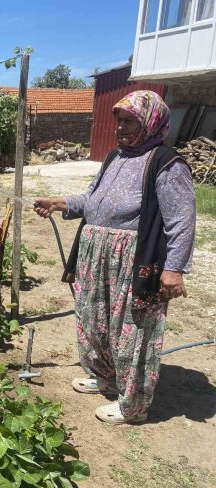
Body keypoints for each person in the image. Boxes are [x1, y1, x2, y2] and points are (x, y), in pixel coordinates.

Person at [33, 90, 196, 425]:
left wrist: (174, 269)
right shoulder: (115, 158)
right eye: (118, 121)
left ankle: (133, 405)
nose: (120, 128)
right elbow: (92, 200)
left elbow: (182, 220)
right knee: (95, 321)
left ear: (150, 122)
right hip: (97, 254)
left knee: (134, 329)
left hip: (134, 259)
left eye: (129, 120)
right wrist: (59, 202)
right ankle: (106, 377)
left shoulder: (166, 163)